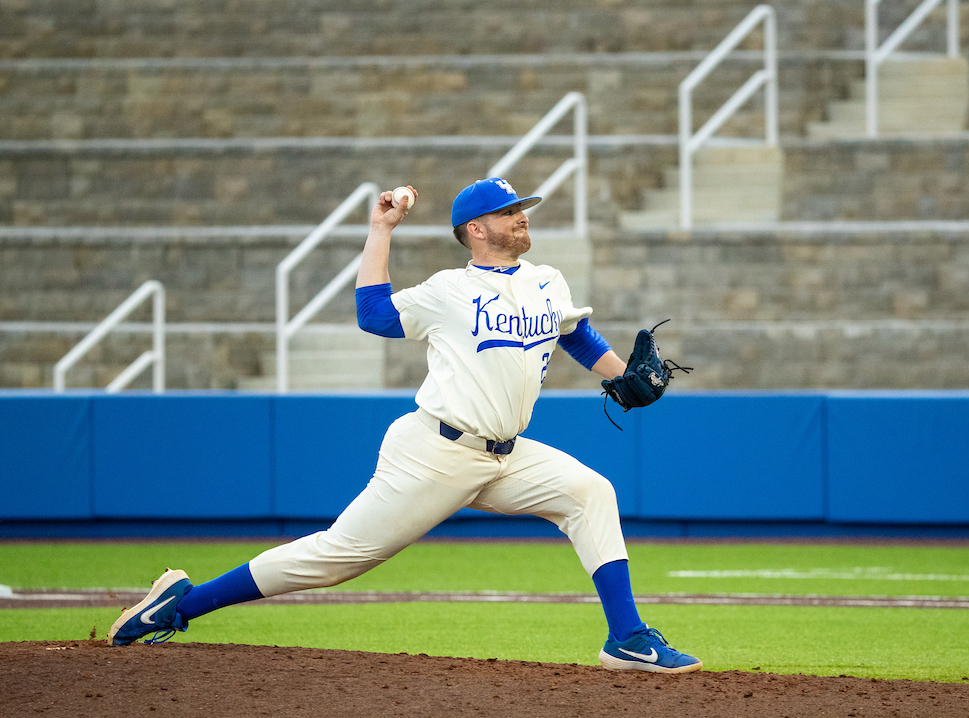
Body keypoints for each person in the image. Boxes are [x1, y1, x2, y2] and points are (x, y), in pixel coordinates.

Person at [108, 177, 702, 674]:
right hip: (435, 452)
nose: (522, 218)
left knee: (591, 493)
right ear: (476, 229)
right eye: (509, 212)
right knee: (336, 557)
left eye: (522, 210)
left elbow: (573, 331)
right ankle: (180, 606)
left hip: (506, 456)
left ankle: (626, 639)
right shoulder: (449, 290)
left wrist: (622, 375)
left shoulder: (546, 280)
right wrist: (381, 230)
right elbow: (372, 315)